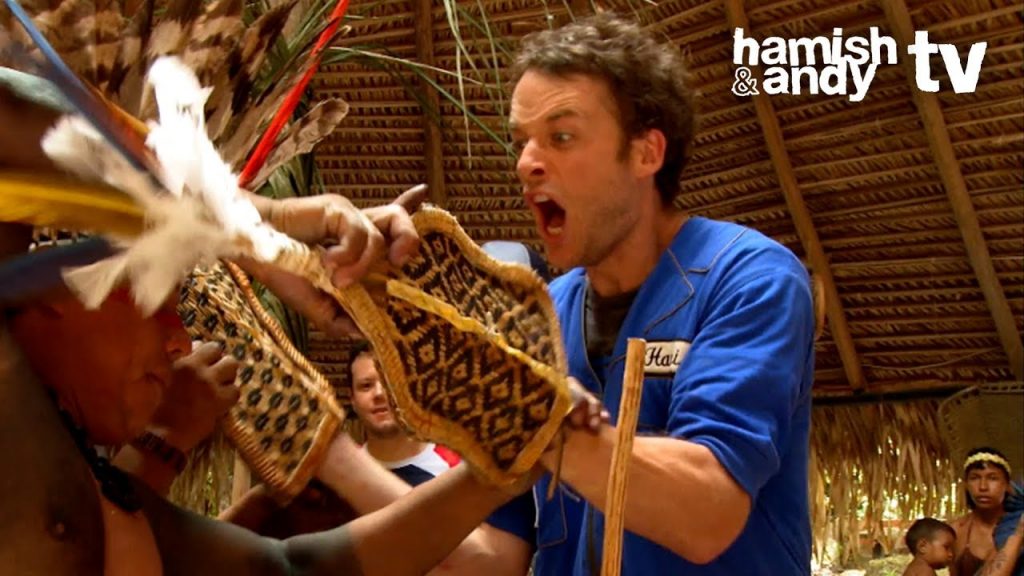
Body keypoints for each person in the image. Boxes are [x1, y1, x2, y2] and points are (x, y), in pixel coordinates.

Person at [508, 12, 815, 574]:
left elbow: (707, 512)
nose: (526, 163)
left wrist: (528, 411)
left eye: (561, 136)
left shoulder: (749, 278)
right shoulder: (544, 312)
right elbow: (489, 556)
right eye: (521, 141)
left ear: (646, 153)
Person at [0, 274, 526, 576]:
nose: (178, 341)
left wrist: (512, 463)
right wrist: (275, 228)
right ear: (53, 286)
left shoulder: (93, 482)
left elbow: (290, 568)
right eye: (154, 302)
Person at [348, 340, 536, 575]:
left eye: (387, 381)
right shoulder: (339, 479)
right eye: (366, 386)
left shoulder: (460, 467)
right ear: (352, 399)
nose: (378, 393)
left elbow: (493, 562)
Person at [950, 447, 1013, 576]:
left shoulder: (1018, 526)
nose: (983, 487)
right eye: (975, 478)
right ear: (966, 485)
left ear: (1007, 485)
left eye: (992, 478)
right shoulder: (956, 531)